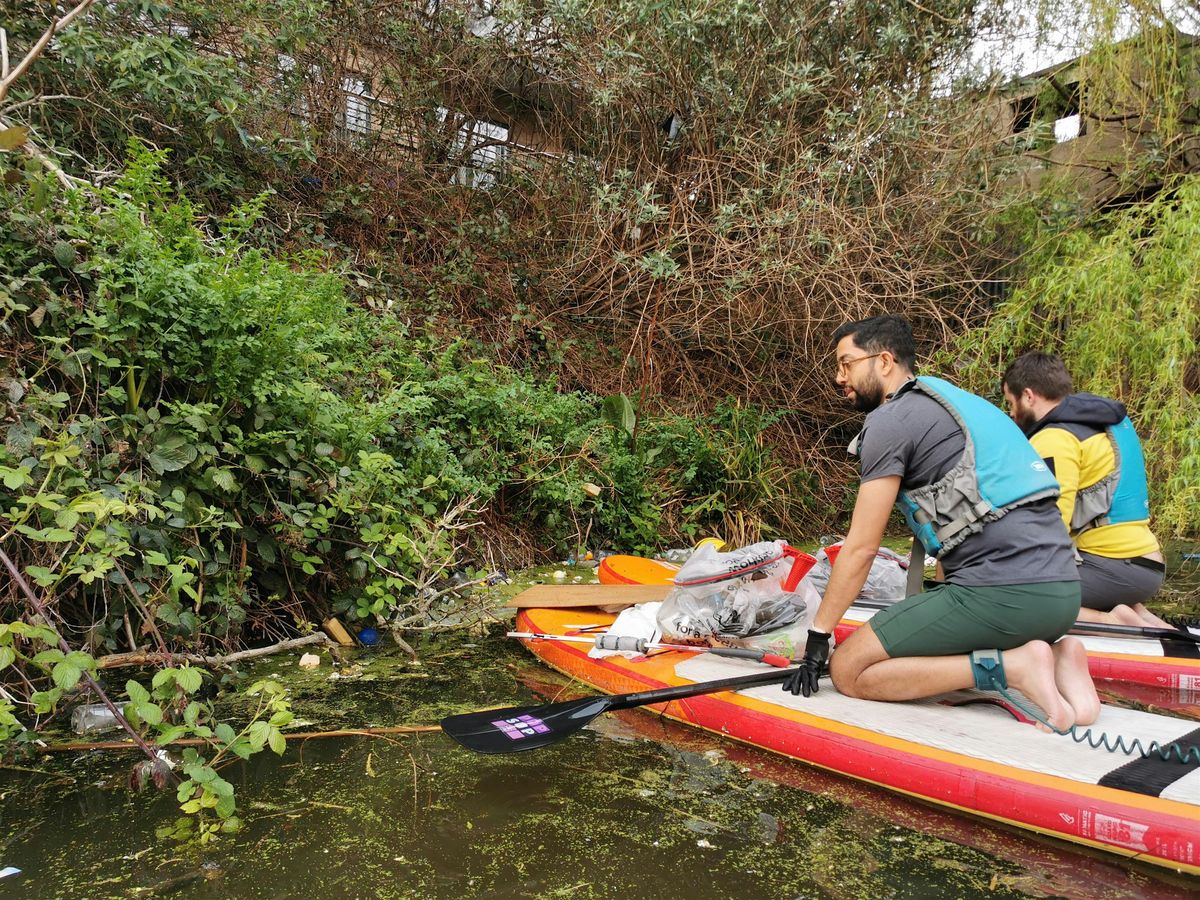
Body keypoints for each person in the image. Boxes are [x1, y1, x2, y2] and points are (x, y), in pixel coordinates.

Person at [786, 315, 1099, 732]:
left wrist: (818, 640)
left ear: (884, 361)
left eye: (846, 363)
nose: (838, 377)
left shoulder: (889, 422)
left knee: (849, 669)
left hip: (1007, 598)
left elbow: (860, 548)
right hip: (1061, 596)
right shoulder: (951, 400)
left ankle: (1016, 665)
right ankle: (1060, 658)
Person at [1001, 352, 1170, 629]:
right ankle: (1144, 619)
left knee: (1006, 596)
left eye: (1011, 402)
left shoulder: (1054, 437)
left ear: (1028, 396)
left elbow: (1050, 523)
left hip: (1113, 567)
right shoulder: (1099, 421)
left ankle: (1112, 620)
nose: (1011, 412)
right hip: (1142, 565)